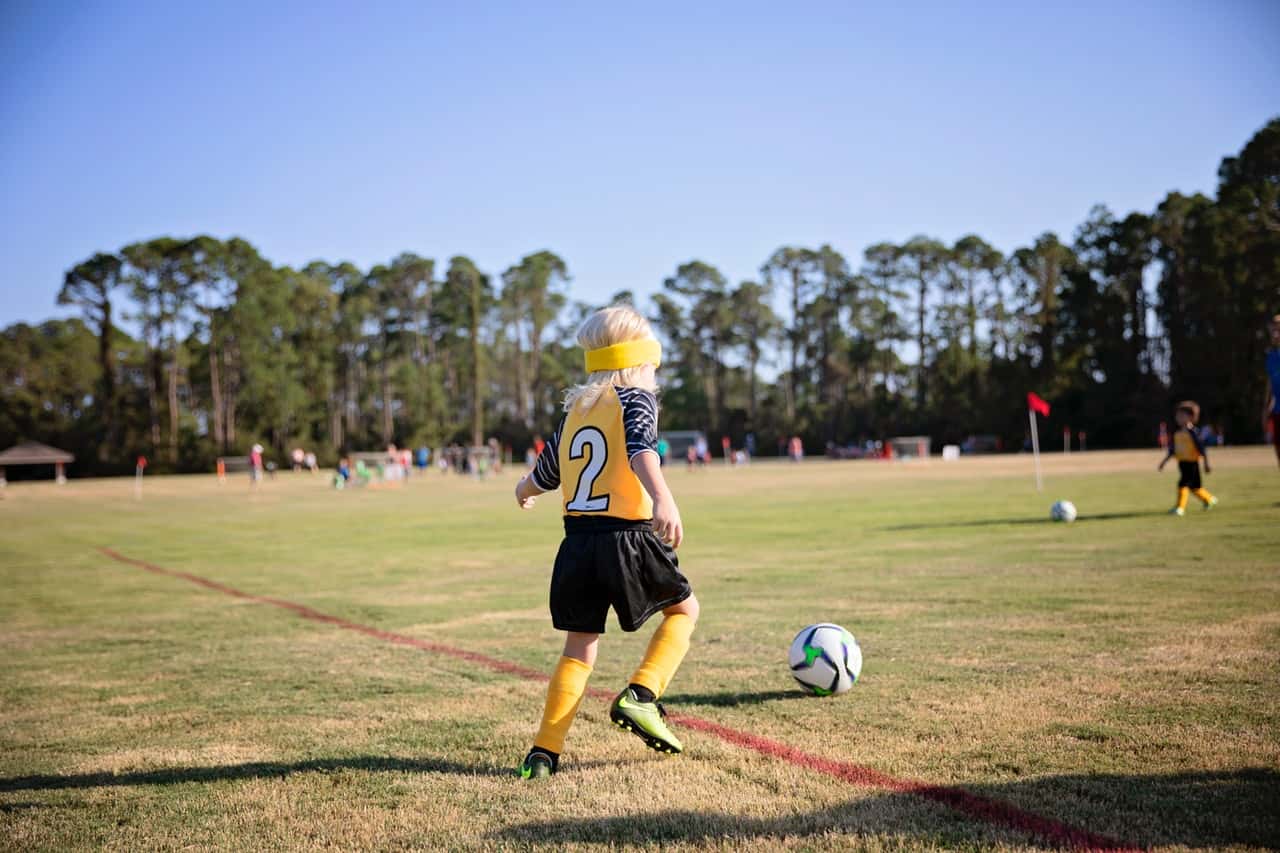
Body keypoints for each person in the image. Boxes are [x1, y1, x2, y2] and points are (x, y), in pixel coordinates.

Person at [512, 304, 698, 780]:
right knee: (684, 611)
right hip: (626, 536)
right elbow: (641, 450)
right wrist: (663, 498)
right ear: (641, 358)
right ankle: (641, 696)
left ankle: (543, 754)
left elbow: (547, 472)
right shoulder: (635, 398)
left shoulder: (577, 409)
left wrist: (523, 489)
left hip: (576, 544)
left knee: (579, 648)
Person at [1158, 400, 1217, 516]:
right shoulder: (1177, 433)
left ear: (1191, 417)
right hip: (1182, 463)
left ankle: (1180, 508)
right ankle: (1209, 499)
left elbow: (1202, 449)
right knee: (1195, 487)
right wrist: (1163, 462)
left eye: (1181, 415)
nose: (1178, 418)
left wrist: (1206, 463)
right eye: (1177, 415)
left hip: (1192, 464)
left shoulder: (1194, 433)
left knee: (1182, 484)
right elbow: (1172, 450)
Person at [1264, 314, 1280, 469]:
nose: (1275, 334)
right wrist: (1266, 407)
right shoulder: (1271, 357)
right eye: (1273, 331)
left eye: (1278, 330)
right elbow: (1270, 384)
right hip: (1277, 411)